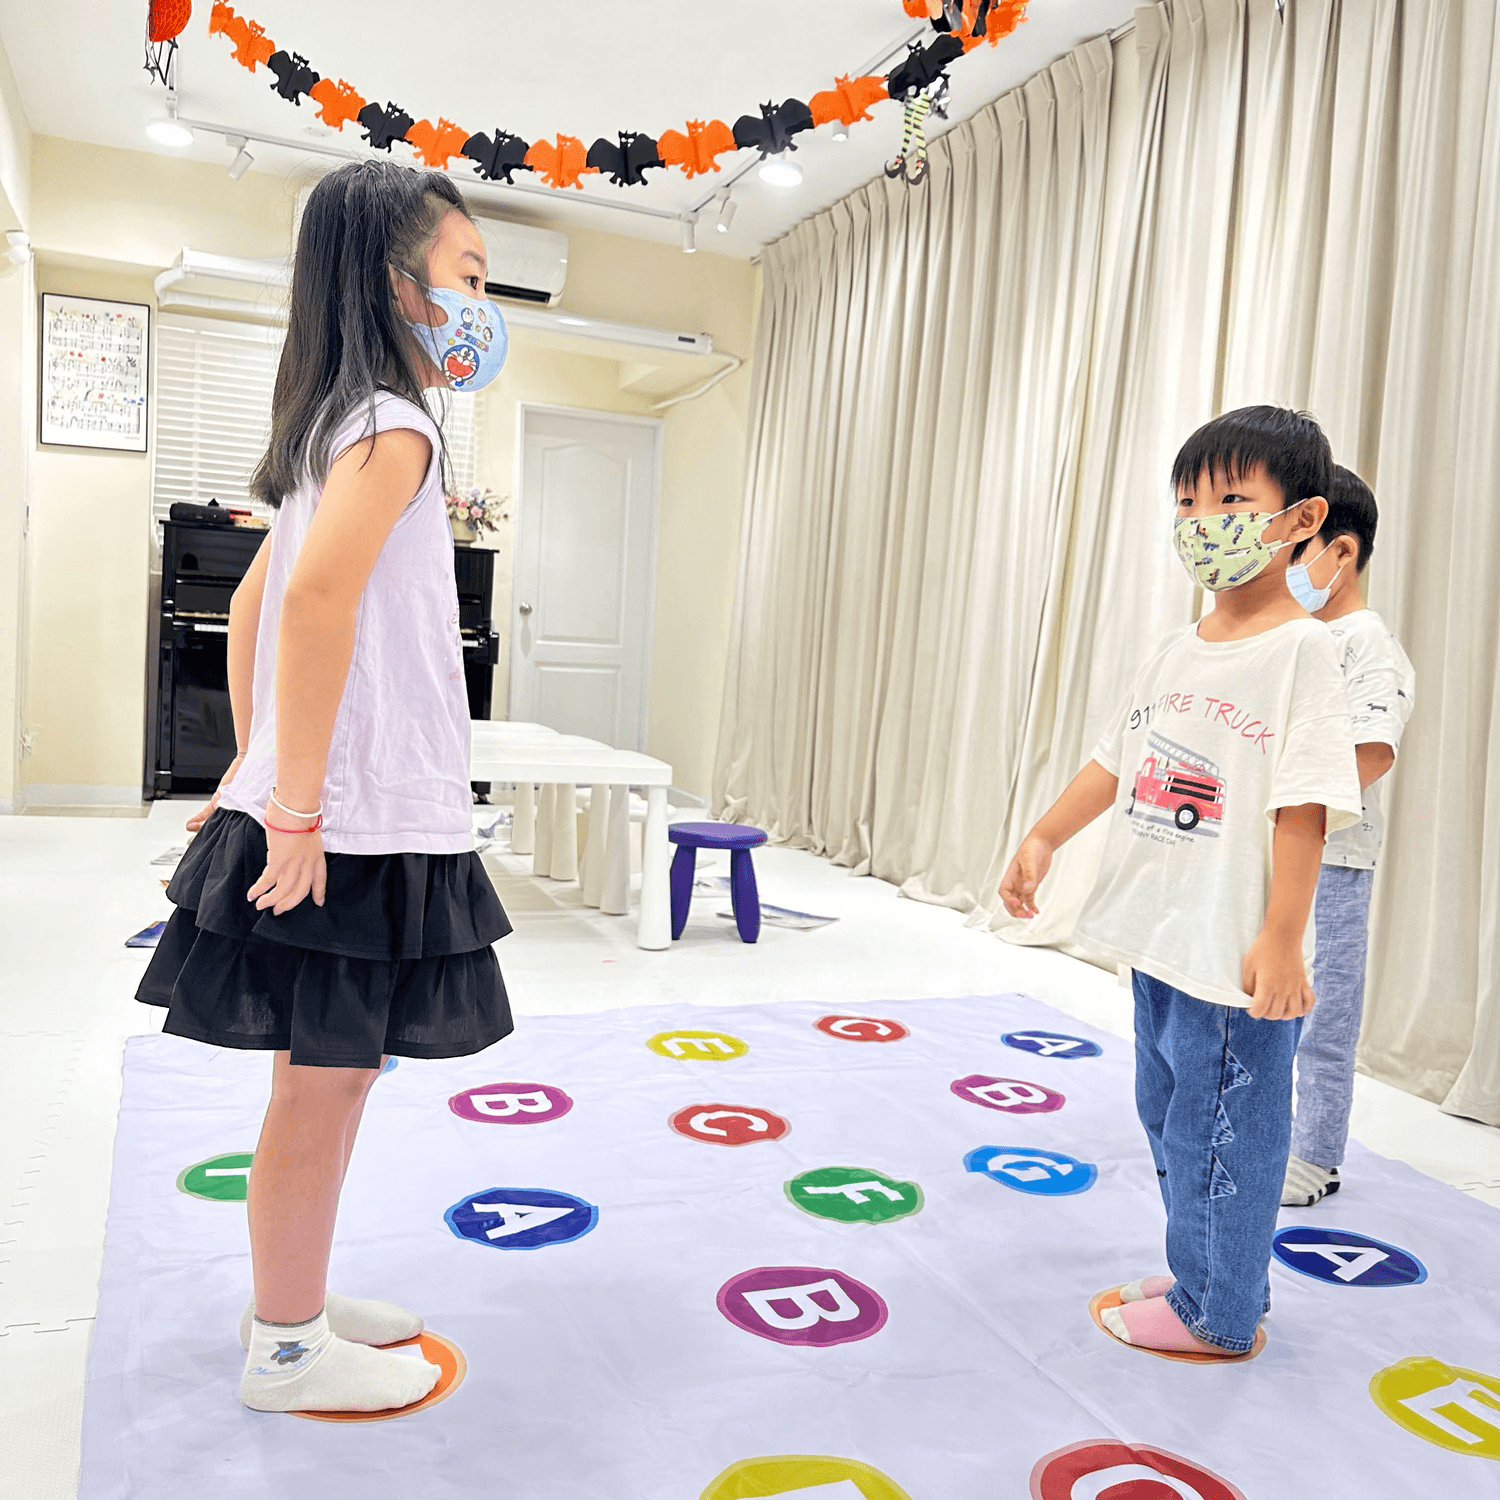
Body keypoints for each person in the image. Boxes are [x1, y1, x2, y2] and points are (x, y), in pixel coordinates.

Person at [138, 159, 515, 1414]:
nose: (482, 301)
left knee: (331, 1070)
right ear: (397, 284)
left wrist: (258, 771)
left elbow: (251, 603)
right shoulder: (395, 428)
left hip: (332, 803)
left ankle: (287, 1294)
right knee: (325, 1081)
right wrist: (292, 805)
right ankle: (289, 1347)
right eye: (468, 276)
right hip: (354, 818)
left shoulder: (333, 423)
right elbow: (302, 600)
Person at [998, 406, 1362, 1359]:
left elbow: (1305, 805)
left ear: (1298, 520)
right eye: (1188, 501)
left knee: (1225, 1138)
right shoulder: (1177, 647)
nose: (1204, 520)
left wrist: (1282, 936)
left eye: (1233, 500)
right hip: (1164, 940)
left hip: (1235, 959)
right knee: (1170, 1117)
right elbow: (1114, 761)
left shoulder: (1302, 654)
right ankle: (1210, 1266)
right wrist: (1044, 836)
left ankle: (1218, 1312)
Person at [1281, 466, 1415, 1206]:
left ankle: (1316, 1155)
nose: (1285, 571)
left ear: (1340, 551)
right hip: (1278, 852)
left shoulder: (1365, 641)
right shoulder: (1302, 637)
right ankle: (1272, 1136)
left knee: (1322, 1007)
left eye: (1296, 553)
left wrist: (1296, 805)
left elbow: (1372, 749)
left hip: (1334, 855)